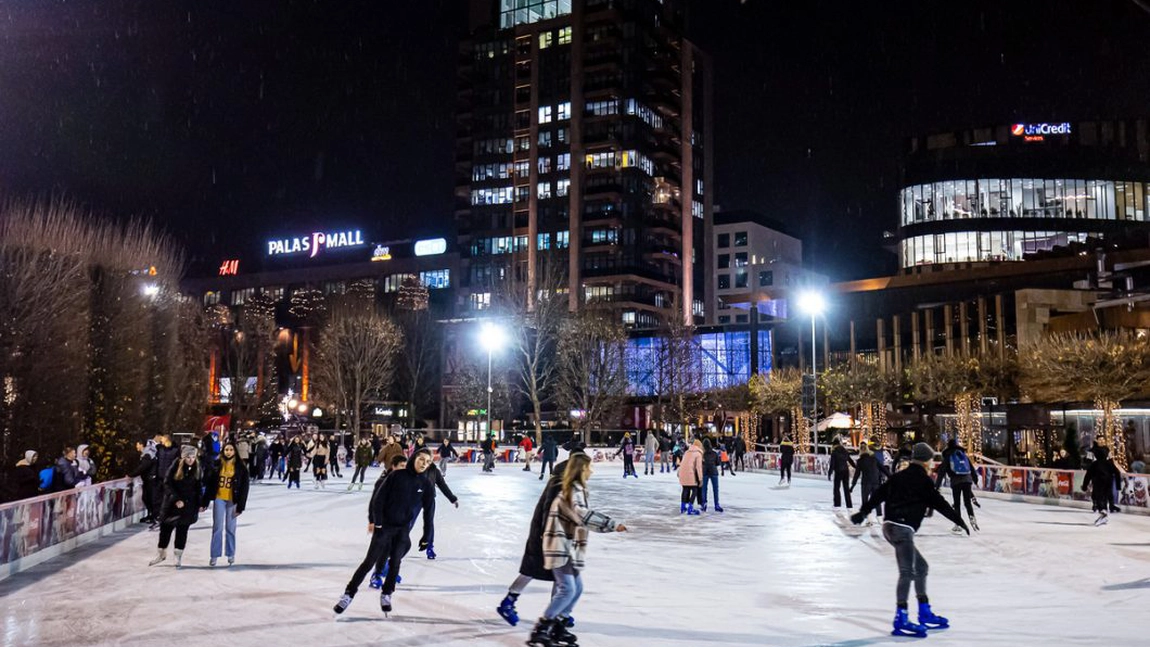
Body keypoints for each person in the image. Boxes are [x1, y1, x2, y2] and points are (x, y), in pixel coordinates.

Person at [850, 442, 969, 638]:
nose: (932, 464)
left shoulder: (899, 476)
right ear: (926, 461)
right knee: (907, 572)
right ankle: (901, 617)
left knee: (921, 568)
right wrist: (958, 519)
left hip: (890, 526)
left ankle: (923, 611)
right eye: (931, 460)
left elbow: (880, 493)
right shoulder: (923, 480)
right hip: (902, 528)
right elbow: (939, 503)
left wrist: (864, 512)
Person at [526, 451, 627, 646]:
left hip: (567, 546)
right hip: (559, 545)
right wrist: (612, 524)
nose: (591, 471)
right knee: (567, 589)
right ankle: (543, 628)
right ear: (581, 469)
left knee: (577, 588)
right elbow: (583, 515)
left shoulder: (576, 488)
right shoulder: (571, 490)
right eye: (589, 467)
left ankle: (558, 624)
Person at [333, 448, 435, 616]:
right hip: (385, 527)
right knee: (369, 562)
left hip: (402, 530)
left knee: (395, 562)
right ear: (414, 458)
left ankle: (387, 593)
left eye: (428, 462)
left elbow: (429, 513)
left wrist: (427, 536)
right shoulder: (396, 476)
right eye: (422, 459)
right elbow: (378, 499)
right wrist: (378, 522)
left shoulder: (426, 485)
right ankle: (348, 594)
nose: (424, 464)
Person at [150, 445, 205, 568]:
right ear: (183, 457)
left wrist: (201, 503)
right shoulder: (175, 467)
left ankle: (178, 555)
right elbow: (167, 483)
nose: (191, 459)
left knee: (182, 531)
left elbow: (198, 487)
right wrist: (176, 499)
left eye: (193, 457)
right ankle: (161, 553)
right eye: (188, 457)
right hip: (171, 504)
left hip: (188, 505)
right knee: (165, 529)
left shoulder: (197, 468)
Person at [203, 442, 250, 566]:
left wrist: (241, 505)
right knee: (217, 527)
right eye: (226, 449)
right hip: (219, 498)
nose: (228, 452)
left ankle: (231, 553)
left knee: (230, 528)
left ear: (235, 451)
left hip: (232, 500)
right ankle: (214, 555)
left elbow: (245, 487)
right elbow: (210, 483)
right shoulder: (217, 464)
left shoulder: (240, 466)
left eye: (231, 449)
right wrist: (205, 501)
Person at [935, 438, 980, 532]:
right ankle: (972, 518)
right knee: (967, 502)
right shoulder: (963, 455)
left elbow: (942, 471)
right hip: (967, 480)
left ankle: (958, 524)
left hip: (956, 482)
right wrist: (975, 480)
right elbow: (971, 468)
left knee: (957, 503)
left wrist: (937, 486)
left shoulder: (948, 455)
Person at [417, 459, 459, 560]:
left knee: (429, 523)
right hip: (415, 499)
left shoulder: (434, 471)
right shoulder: (415, 469)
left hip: (430, 499)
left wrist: (452, 498)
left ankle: (430, 547)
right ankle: (396, 548)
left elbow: (442, 485)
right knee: (407, 523)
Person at [850, 441, 890, 525]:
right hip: (875, 482)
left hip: (866, 484)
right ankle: (880, 519)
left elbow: (856, 475)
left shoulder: (860, 461)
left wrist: (852, 486)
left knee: (865, 501)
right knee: (876, 500)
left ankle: (869, 520)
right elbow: (883, 469)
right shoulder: (874, 459)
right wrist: (892, 477)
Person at [1082, 444, 1121, 526]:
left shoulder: (1094, 464)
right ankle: (1104, 512)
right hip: (1108, 483)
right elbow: (1117, 473)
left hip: (1098, 484)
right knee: (1105, 497)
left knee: (1099, 498)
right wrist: (1118, 485)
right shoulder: (1109, 463)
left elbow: (1088, 475)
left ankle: (1103, 512)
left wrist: (1085, 486)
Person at [127, 439, 159, 526]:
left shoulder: (147, 454)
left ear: (141, 444)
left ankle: (155, 517)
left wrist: (131, 475)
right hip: (148, 478)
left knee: (150, 498)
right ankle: (151, 515)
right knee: (146, 498)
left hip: (151, 479)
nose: (136, 446)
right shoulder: (147, 452)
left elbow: (143, 467)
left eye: (137, 444)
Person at [678, 439, 704, 515]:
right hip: (690, 474)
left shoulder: (687, 452)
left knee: (685, 489)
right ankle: (690, 507)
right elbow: (698, 467)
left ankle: (683, 507)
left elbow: (682, 463)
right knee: (695, 490)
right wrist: (700, 479)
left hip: (683, 474)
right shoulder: (698, 454)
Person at [828, 438, 856, 509]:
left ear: (834, 445)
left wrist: (830, 473)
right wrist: (856, 467)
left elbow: (832, 464)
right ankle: (849, 505)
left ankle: (837, 504)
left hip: (838, 471)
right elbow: (850, 460)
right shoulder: (845, 451)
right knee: (846, 488)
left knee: (836, 488)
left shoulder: (834, 452)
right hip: (846, 471)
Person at [699, 439, 723, 512]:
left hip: (705, 472)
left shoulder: (702, 454)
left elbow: (700, 463)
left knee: (704, 489)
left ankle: (704, 504)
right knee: (715, 489)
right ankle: (716, 505)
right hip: (713, 472)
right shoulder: (714, 453)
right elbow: (718, 463)